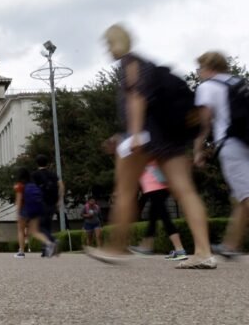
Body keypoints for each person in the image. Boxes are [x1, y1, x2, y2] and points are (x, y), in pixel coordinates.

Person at [86, 24, 215, 268]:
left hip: (145, 136)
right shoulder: (148, 64)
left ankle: (116, 247)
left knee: (124, 192)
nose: (107, 49)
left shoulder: (129, 63)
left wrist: (134, 134)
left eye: (108, 44)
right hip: (169, 138)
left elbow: (137, 97)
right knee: (185, 191)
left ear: (116, 43)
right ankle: (204, 252)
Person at [194, 51, 249, 260]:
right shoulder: (238, 82)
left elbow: (204, 124)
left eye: (200, 68)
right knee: (241, 196)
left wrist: (198, 150)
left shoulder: (207, 87)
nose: (198, 72)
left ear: (208, 67)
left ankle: (229, 245)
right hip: (246, 139)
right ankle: (229, 245)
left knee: (246, 196)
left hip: (231, 144)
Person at [129, 161, 187, 260]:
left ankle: (180, 249)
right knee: (153, 216)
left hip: (155, 184)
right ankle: (147, 246)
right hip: (155, 184)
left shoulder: (146, 152)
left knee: (164, 216)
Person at [14, 168, 56, 258]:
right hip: (37, 209)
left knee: (21, 230)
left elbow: (19, 200)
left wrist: (17, 213)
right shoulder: (33, 185)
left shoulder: (19, 186)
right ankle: (49, 243)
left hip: (25, 210)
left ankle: (21, 252)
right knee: (34, 231)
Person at [32, 155, 64, 255]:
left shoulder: (35, 175)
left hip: (41, 203)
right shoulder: (53, 174)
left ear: (37, 163)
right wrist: (59, 200)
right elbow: (61, 186)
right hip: (52, 203)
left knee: (39, 227)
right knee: (47, 225)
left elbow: (33, 190)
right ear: (47, 163)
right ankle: (45, 249)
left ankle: (52, 240)